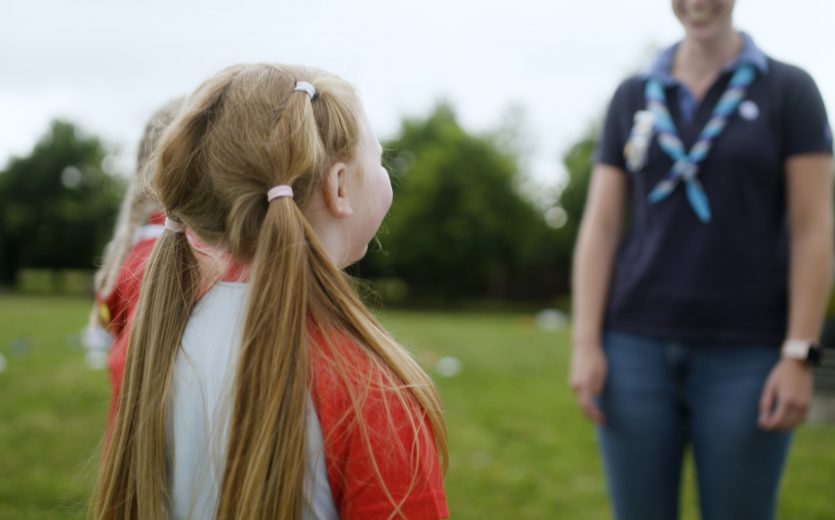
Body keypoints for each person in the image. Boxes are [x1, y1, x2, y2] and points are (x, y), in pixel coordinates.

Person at [93, 64, 448, 520]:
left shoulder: (157, 343)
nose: (385, 172)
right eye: (380, 159)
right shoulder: (368, 388)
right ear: (340, 186)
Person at [569, 1, 833, 519]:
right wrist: (585, 343)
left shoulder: (789, 90)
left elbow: (813, 229)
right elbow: (600, 227)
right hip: (634, 350)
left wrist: (800, 354)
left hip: (748, 354)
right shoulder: (633, 95)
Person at [83, 98, 183, 426]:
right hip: (161, 442)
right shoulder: (187, 257)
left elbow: (106, 324)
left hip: (127, 438)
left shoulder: (126, 254)